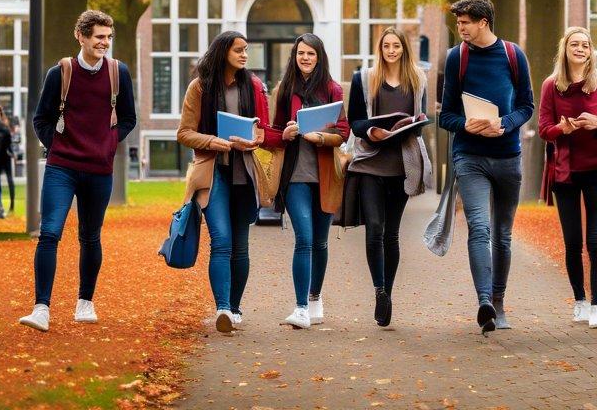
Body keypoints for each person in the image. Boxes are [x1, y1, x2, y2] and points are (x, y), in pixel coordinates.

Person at [18, 9, 137, 332]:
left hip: (99, 168)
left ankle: (85, 302)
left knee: (90, 235)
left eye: (108, 37)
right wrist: (58, 146)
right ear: (81, 36)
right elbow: (41, 119)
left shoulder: (117, 72)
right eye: (99, 37)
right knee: (50, 232)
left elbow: (128, 118)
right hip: (62, 167)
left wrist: (107, 144)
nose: (105, 43)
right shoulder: (61, 73)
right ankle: (41, 307)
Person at [438, 0, 534, 335]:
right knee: (480, 228)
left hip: (508, 156)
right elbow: (445, 114)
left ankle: (500, 300)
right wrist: (464, 124)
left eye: (465, 22)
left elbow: (527, 106)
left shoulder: (512, 55)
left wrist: (504, 123)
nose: (460, 28)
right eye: (458, 22)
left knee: (503, 235)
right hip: (469, 156)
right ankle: (484, 303)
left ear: (484, 23)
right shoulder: (456, 58)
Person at [177, 31, 271, 335]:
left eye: (246, 50)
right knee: (221, 240)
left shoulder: (253, 85)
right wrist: (216, 142)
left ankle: (235, 308)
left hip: (244, 171)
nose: (245, 55)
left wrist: (254, 139)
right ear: (222, 52)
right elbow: (185, 133)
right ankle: (222, 309)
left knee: (240, 246)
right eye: (239, 50)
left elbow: (262, 131)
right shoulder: (200, 87)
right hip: (213, 171)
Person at [537, 27, 597, 330]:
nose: (580, 49)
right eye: (574, 44)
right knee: (572, 242)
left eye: (585, 45)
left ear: (591, 50)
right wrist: (562, 130)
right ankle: (580, 302)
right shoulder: (552, 86)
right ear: (564, 49)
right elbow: (544, 129)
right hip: (564, 173)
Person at [345, 26, 432, 326]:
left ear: (404, 49)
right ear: (380, 49)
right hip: (370, 162)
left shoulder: (418, 79)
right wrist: (372, 130)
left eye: (396, 46)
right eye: (386, 46)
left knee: (392, 233)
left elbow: (422, 121)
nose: (391, 50)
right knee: (375, 227)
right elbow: (355, 121)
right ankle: (379, 290)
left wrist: (413, 123)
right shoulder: (364, 79)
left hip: (402, 166)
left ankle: (387, 295)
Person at [264, 33, 350, 330]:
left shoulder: (333, 89)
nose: (305, 58)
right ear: (294, 56)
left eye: (310, 54)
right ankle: (300, 307)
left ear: (319, 56)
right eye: (301, 53)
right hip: (296, 174)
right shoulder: (285, 89)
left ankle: (315, 298)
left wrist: (319, 137)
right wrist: (285, 134)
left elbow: (343, 132)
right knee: (304, 238)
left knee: (321, 241)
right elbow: (273, 132)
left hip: (325, 174)